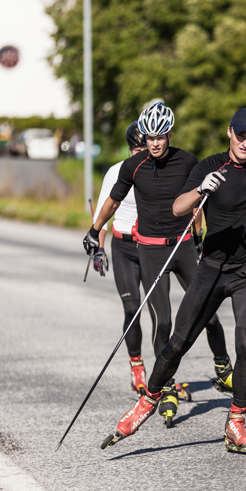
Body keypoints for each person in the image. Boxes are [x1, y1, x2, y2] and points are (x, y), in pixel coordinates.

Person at [101, 107, 246, 456]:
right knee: (178, 341)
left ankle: (236, 424)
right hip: (211, 269)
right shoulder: (208, 166)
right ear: (229, 133)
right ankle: (148, 402)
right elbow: (178, 208)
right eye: (240, 135)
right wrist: (200, 191)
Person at [83, 102, 231, 425]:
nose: (154, 143)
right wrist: (95, 232)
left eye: (160, 137)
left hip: (182, 247)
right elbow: (112, 202)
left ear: (169, 134)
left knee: (207, 310)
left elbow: (199, 198)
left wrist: (201, 233)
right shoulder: (132, 167)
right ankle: (163, 386)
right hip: (149, 250)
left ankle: (223, 367)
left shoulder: (188, 161)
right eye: (149, 137)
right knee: (163, 321)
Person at [91, 121, 149, 395]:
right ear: (129, 149)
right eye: (136, 149)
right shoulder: (117, 172)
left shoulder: (158, 170)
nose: (140, 154)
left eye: (145, 148)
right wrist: (99, 250)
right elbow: (101, 217)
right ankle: (136, 367)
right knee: (132, 308)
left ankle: (164, 376)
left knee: (163, 315)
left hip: (152, 248)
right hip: (124, 247)